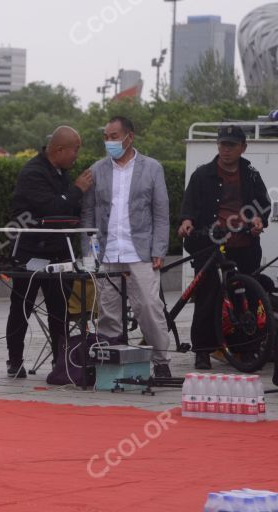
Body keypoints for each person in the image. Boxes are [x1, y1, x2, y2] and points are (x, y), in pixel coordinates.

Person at [80, 116, 172, 377]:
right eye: (106, 137)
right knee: (108, 311)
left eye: (114, 136)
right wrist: (88, 252)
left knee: (149, 308)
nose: (109, 141)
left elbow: (161, 213)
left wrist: (159, 250)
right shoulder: (97, 170)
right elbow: (87, 214)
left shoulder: (152, 168)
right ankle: (114, 361)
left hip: (140, 252)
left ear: (129, 137)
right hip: (107, 252)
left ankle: (161, 361)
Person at [178, 125, 270, 369]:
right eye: (222, 144)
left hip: (244, 244)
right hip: (209, 244)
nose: (226, 149)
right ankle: (202, 351)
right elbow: (188, 207)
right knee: (207, 296)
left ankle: (246, 349)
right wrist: (187, 221)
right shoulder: (202, 175)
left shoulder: (250, 173)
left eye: (231, 145)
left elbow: (264, 204)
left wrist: (259, 220)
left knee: (246, 298)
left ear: (243, 147)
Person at [5, 126, 93, 378]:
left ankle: (60, 360)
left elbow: (68, 212)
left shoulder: (61, 173)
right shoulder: (33, 173)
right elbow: (53, 208)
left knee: (60, 309)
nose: (77, 155)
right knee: (22, 307)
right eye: (75, 149)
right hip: (30, 252)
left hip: (58, 252)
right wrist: (76, 190)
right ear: (59, 149)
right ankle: (14, 360)